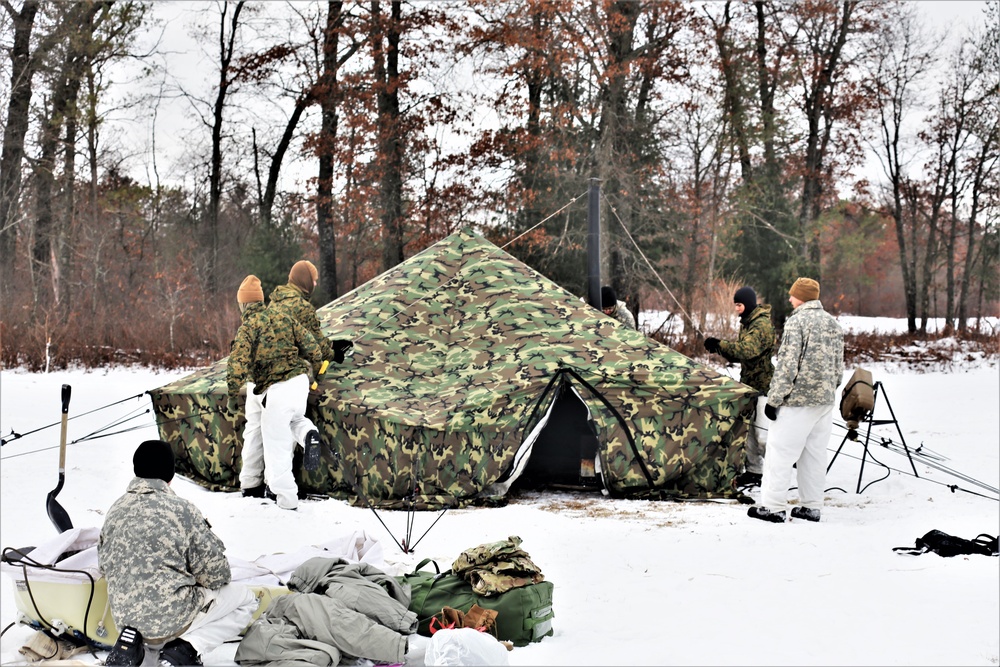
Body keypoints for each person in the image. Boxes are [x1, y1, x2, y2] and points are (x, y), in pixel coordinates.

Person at [98, 440, 259, 667]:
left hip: (125, 620)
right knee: (246, 600)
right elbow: (217, 575)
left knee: (158, 613)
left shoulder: (115, 509)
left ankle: (131, 648)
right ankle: (185, 649)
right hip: (172, 619)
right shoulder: (182, 510)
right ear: (170, 473)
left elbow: (104, 566)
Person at [747, 277, 844, 523]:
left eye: (792, 295)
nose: (789, 298)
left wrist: (774, 399)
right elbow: (838, 366)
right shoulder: (833, 324)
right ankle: (811, 506)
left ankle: (773, 507)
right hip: (824, 401)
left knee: (779, 453)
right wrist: (830, 389)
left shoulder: (797, 322)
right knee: (814, 455)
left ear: (802, 296)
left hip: (797, 401)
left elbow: (787, 366)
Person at [227, 274, 324, 510]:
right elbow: (311, 345)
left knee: (272, 442)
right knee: (294, 421)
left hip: (273, 388)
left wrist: (231, 394)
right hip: (298, 381)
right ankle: (309, 433)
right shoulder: (283, 317)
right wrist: (317, 367)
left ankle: (284, 497)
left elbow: (236, 363)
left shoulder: (248, 327)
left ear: (244, 303)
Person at [704, 286, 775, 488]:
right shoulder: (747, 323)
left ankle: (776, 472)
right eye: (735, 304)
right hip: (749, 386)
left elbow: (748, 350)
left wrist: (722, 344)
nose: (736, 309)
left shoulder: (761, 325)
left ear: (748, 304)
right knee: (749, 434)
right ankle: (754, 471)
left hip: (764, 387)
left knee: (762, 435)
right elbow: (738, 353)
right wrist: (717, 347)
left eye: (739, 304)